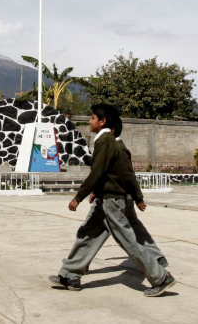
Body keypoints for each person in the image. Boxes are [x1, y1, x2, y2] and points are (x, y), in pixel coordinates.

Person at [49, 104, 175, 296]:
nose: (89, 122)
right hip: (104, 199)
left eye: (92, 118)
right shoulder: (105, 140)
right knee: (86, 235)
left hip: (112, 202)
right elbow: (107, 173)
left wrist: (78, 197)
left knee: (129, 241)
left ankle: (161, 277)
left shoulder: (106, 141)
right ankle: (70, 274)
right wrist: (96, 192)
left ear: (102, 121)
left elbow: (99, 172)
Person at [109, 116, 168, 267]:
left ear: (112, 130)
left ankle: (153, 264)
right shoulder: (110, 146)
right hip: (115, 196)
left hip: (119, 197)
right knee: (131, 227)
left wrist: (138, 198)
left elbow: (129, 175)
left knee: (101, 232)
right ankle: (157, 257)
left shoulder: (118, 149)